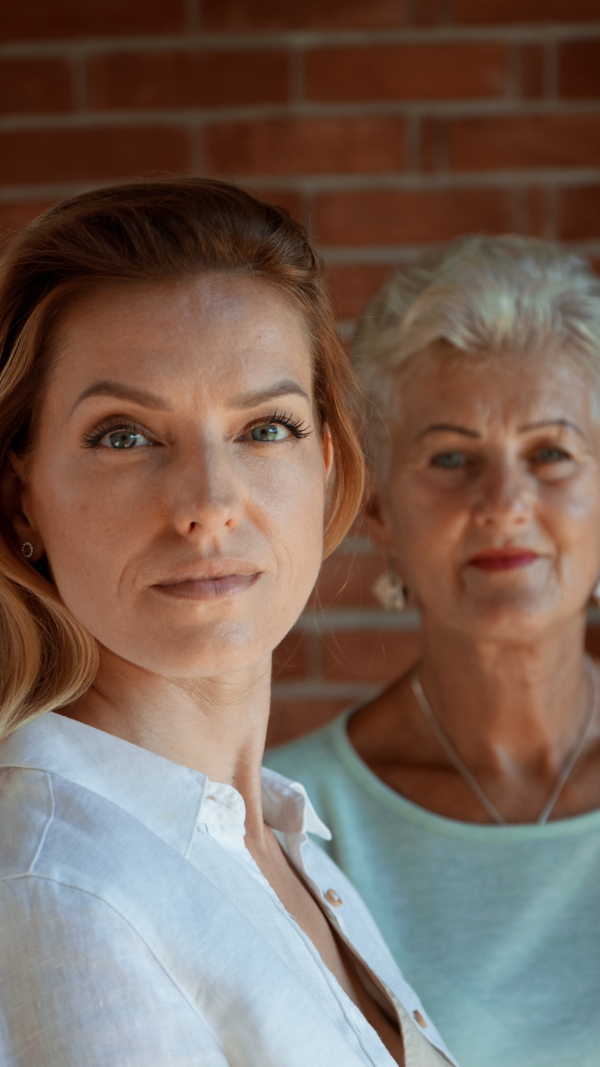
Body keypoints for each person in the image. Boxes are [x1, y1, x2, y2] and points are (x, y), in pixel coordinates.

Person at [0, 179, 458, 1067]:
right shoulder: (66, 886)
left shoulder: (275, 836)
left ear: (325, 463)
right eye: (124, 434)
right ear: (23, 496)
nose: (209, 505)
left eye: (265, 427)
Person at [267, 235, 600, 1067]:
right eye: (451, 457)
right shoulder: (296, 824)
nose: (505, 503)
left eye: (551, 452)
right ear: (378, 510)